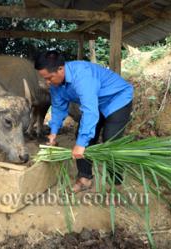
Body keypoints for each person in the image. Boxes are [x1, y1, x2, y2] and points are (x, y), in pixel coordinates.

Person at [34, 51, 133, 193]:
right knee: (82, 135)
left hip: (117, 99)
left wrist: (81, 144)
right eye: (45, 79)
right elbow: (57, 106)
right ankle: (84, 179)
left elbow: (89, 111)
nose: (48, 82)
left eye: (49, 78)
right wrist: (53, 133)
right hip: (96, 103)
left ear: (60, 69)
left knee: (110, 141)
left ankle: (116, 184)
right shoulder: (56, 84)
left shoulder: (82, 76)